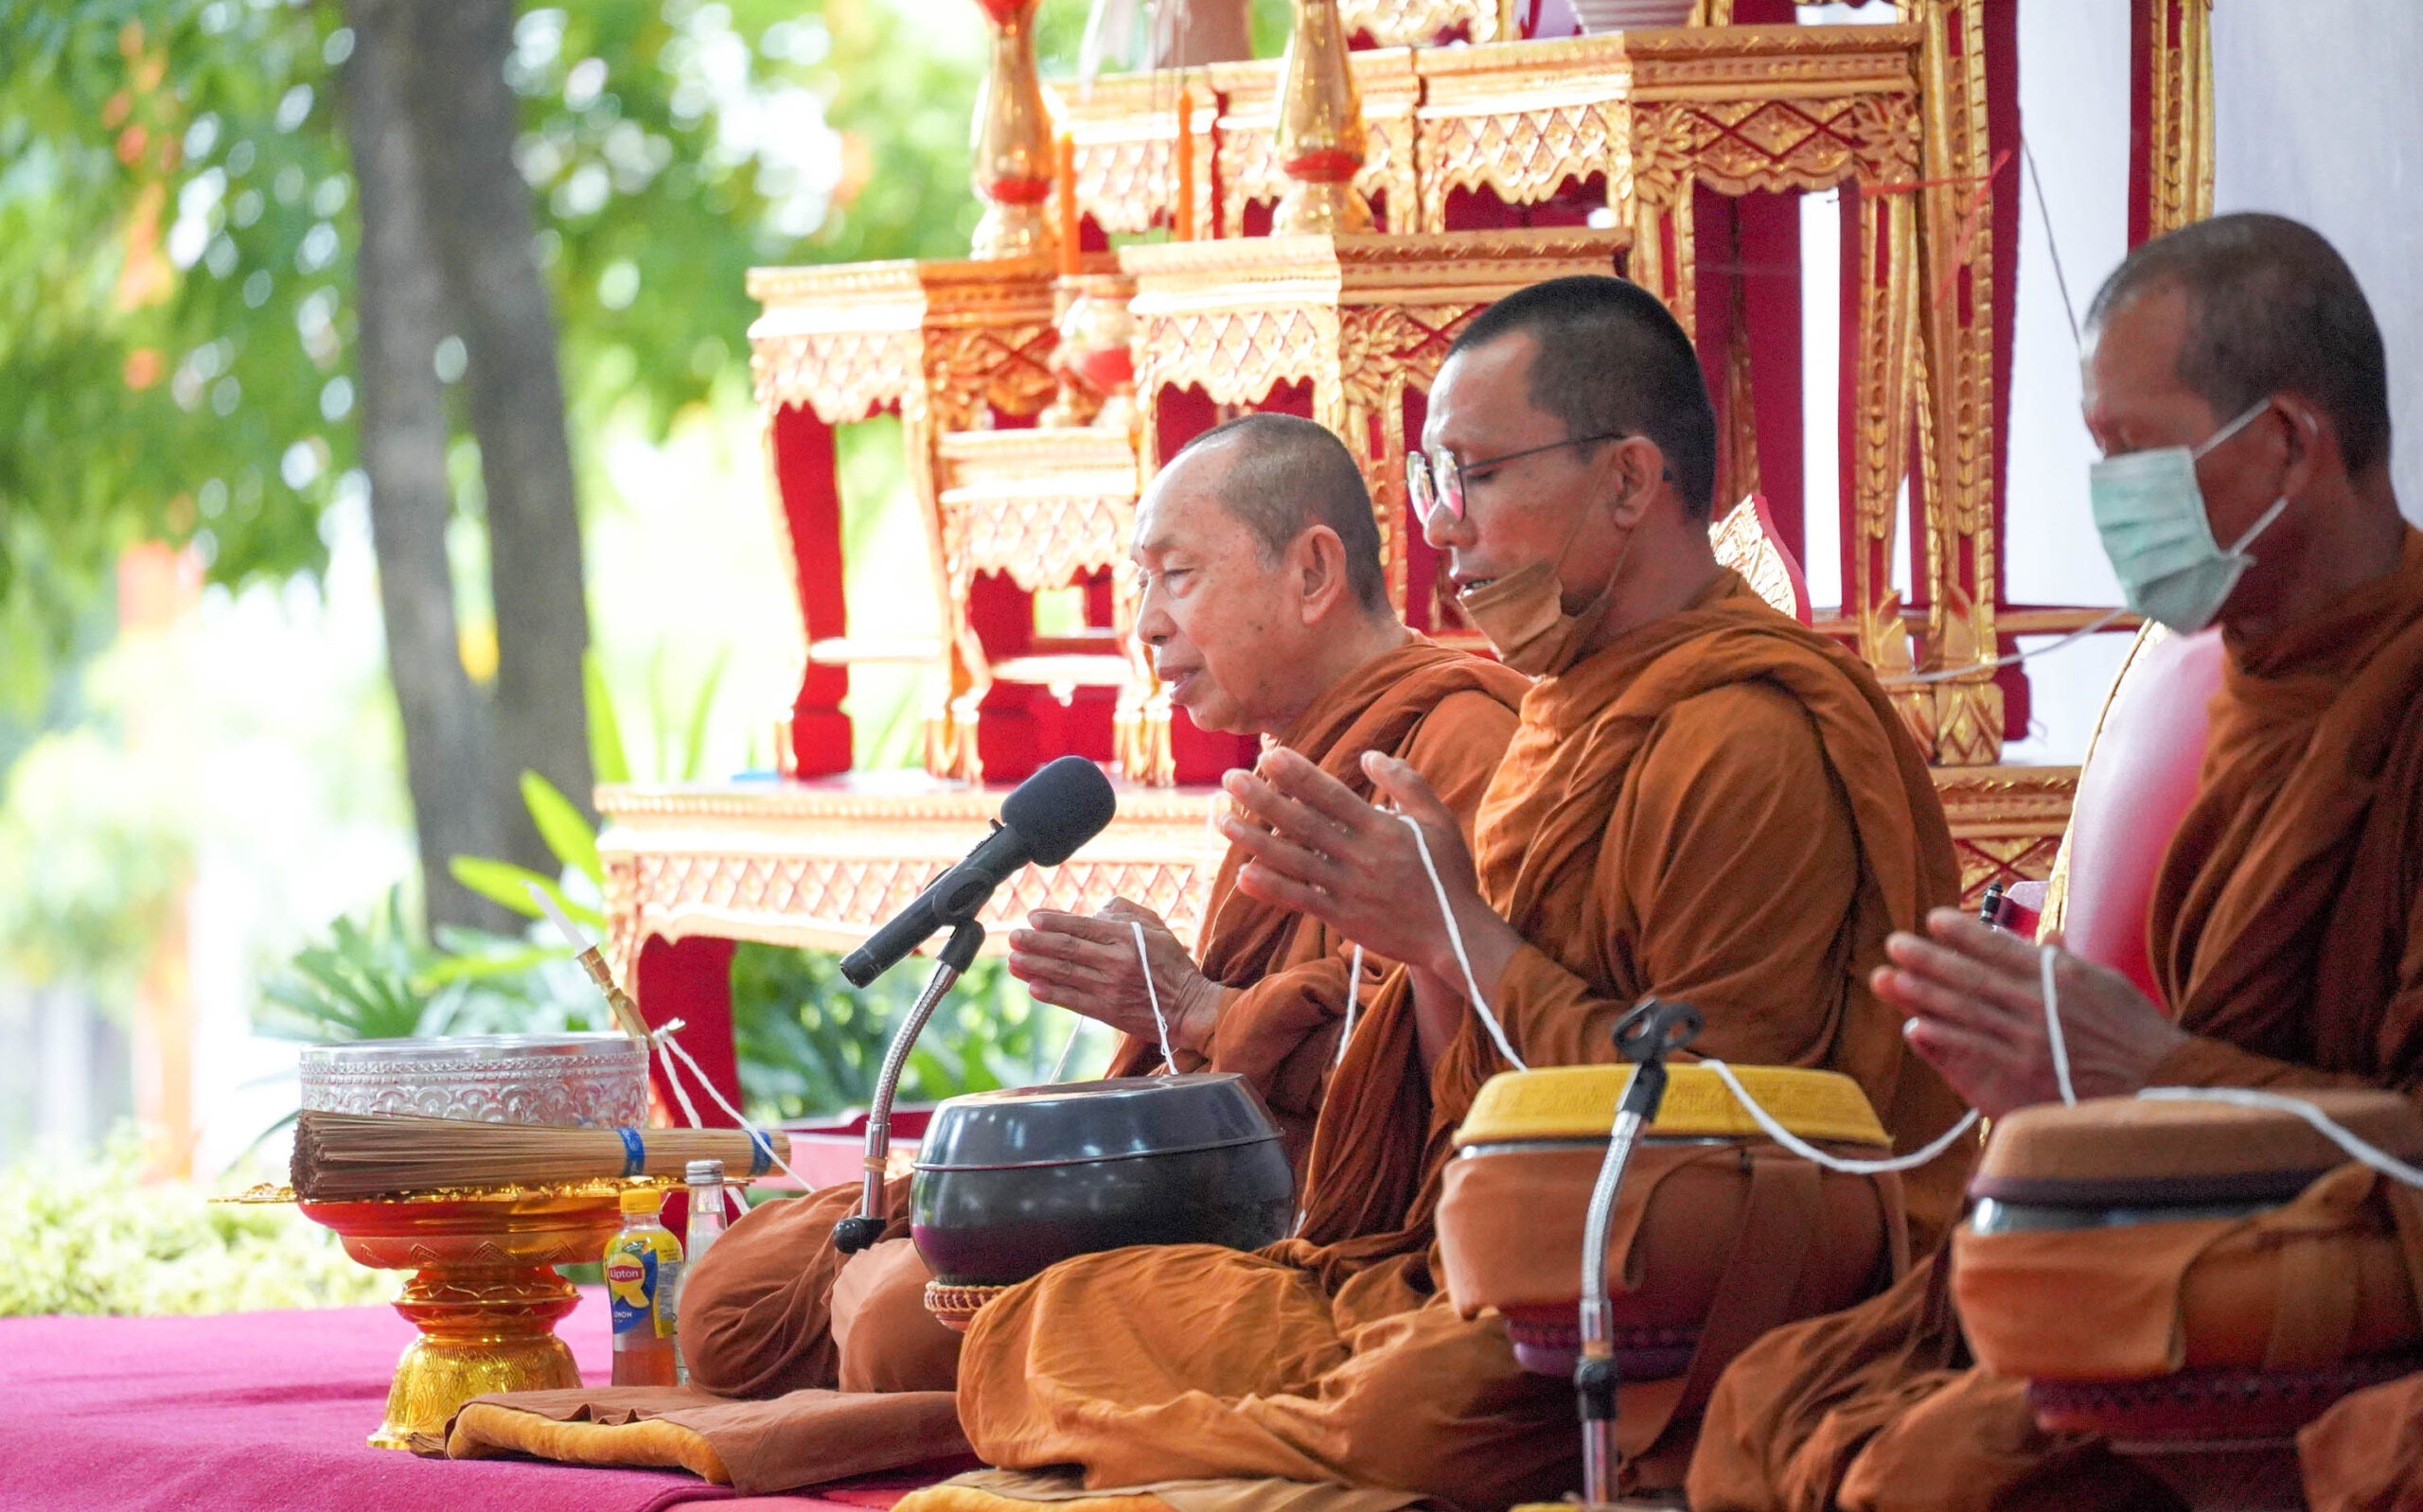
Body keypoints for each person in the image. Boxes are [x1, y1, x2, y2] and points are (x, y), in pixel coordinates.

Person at [952, 275, 1972, 1506]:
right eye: (1433, 477)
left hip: (1670, 1296)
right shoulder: (1561, 721)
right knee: (1047, 1319)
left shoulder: (1743, 736)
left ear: (1628, 481)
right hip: (1491, 1251)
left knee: (1365, 1406)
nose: (1439, 524)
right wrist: (1423, 947)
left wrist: (1447, 933)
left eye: (1475, 475)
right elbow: (1473, 1118)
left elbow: (1723, 1134)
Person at [1689, 212, 2423, 1512]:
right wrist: (2050, 1086)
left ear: (2287, 442)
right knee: (1771, 1398)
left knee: (1932, 1474)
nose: (2109, 499)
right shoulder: (2250, 686)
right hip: (2203, 1232)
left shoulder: (2395, 695)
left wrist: (2148, 1077)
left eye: (2133, 451)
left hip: (2333, 1275)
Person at [677, 412, 1527, 1406]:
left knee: (895, 1326)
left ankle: (1016, 1392)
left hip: (1315, 1230)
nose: (1148, 625)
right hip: (1203, 1183)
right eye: (1141, 583)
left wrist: (1197, 1009)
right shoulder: (1293, 762)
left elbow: (1439, 1077)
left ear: (1311, 571)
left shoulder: (1456, 744)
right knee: (732, 1296)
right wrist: (1177, 1013)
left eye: (1179, 576)